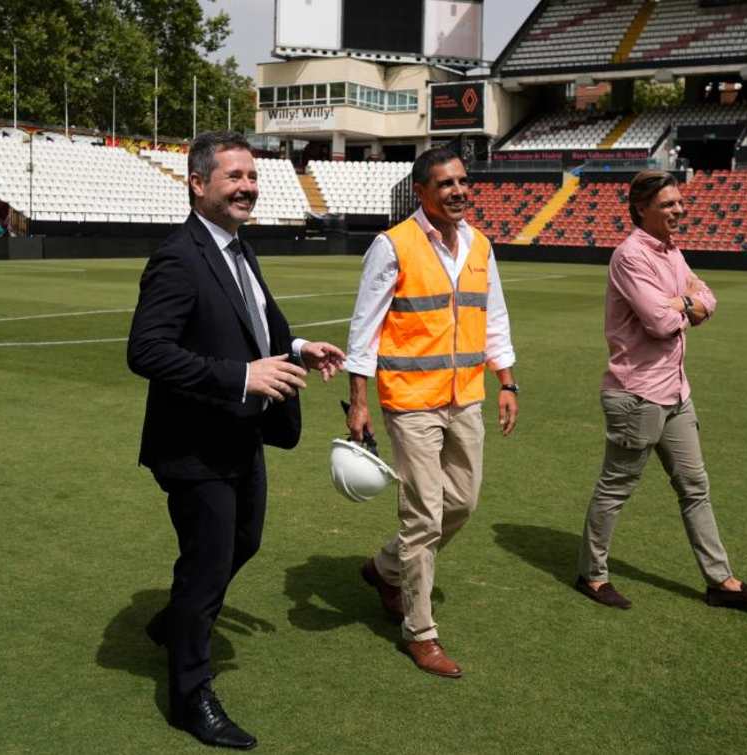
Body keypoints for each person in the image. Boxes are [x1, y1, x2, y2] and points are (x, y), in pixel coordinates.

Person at [127, 130, 345, 750]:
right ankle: (189, 695)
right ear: (199, 184)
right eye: (234, 177)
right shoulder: (179, 255)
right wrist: (240, 376)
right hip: (194, 443)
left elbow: (261, 321)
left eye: (252, 176)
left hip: (241, 434)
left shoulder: (237, 248)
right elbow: (145, 351)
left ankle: (174, 622)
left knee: (242, 543)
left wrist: (299, 347)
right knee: (206, 563)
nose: (248, 186)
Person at [345, 148, 518, 679]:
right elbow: (365, 326)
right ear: (421, 191)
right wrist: (358, 401)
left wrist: (506, 379)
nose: (459, 191)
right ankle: (421, 633)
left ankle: (384, 568)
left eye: (463, 181)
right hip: (411, 401)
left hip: (466, 395)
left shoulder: (480, 244)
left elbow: (494, 318)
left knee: (462, 503)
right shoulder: (392, 245)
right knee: (424, 516)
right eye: (445, 184)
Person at [574, 170, 747, 612]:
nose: (678, 210)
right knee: (616, 488)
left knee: (694, 486)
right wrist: (688, 306)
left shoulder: (672, 251)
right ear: (641, 208)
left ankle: (721, 581)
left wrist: (685, 301)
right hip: (637, 395)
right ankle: (592, 575)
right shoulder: (630, 256)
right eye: (668, 204)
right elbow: (662, 325)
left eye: (679, 203)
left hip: (676, 393)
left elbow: (708, 297)